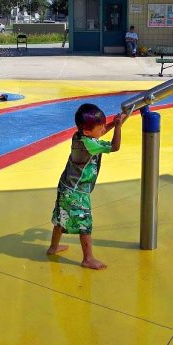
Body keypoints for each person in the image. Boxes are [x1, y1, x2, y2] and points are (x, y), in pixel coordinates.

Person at [47, 103, 127, 270]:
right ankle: (88, 258)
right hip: (77, 191)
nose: (104, 129)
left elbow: (101, 132)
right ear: (88, 132)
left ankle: (53, 247)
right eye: (101, 127)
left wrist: (117, 122)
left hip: (66, 185)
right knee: (85, 223)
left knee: (62, 217)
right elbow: (115, 146)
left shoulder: (79, 135)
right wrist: (118, 127)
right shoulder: (90, 145)